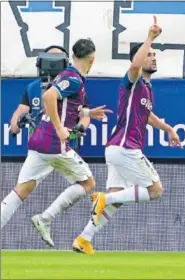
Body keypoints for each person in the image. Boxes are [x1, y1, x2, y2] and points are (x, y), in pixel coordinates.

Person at [72, 16, 182, 255]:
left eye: (154, 55)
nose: (153, 57)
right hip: (125, 148)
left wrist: (170, 129)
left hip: (116, 150)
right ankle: (103, 199)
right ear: (140, 58)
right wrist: (149, 38)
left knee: (117, 198)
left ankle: (83, 238)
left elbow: (149, 117)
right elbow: (134, 66)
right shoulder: (131, 81)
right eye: (149, 54)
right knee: (155, 191)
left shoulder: (147, 89)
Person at [1, 39, 112, 249]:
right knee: (88, 183)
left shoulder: (66, 75)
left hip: (38, 142)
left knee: (20, 192)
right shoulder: (74, 79)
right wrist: (60, 128)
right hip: (53, 143)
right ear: (92, 58)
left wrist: (88, 113)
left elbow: (64, 105)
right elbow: (49, 96)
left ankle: (43, 219)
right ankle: (45, 218)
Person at [10, 45, 91, 151]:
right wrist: (16, 124)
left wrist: (80, 128)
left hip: (66, 148)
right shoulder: (33, 87)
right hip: (39, 149)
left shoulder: (74, 84)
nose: (53, 63)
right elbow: (20, 111)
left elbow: (85, 115)